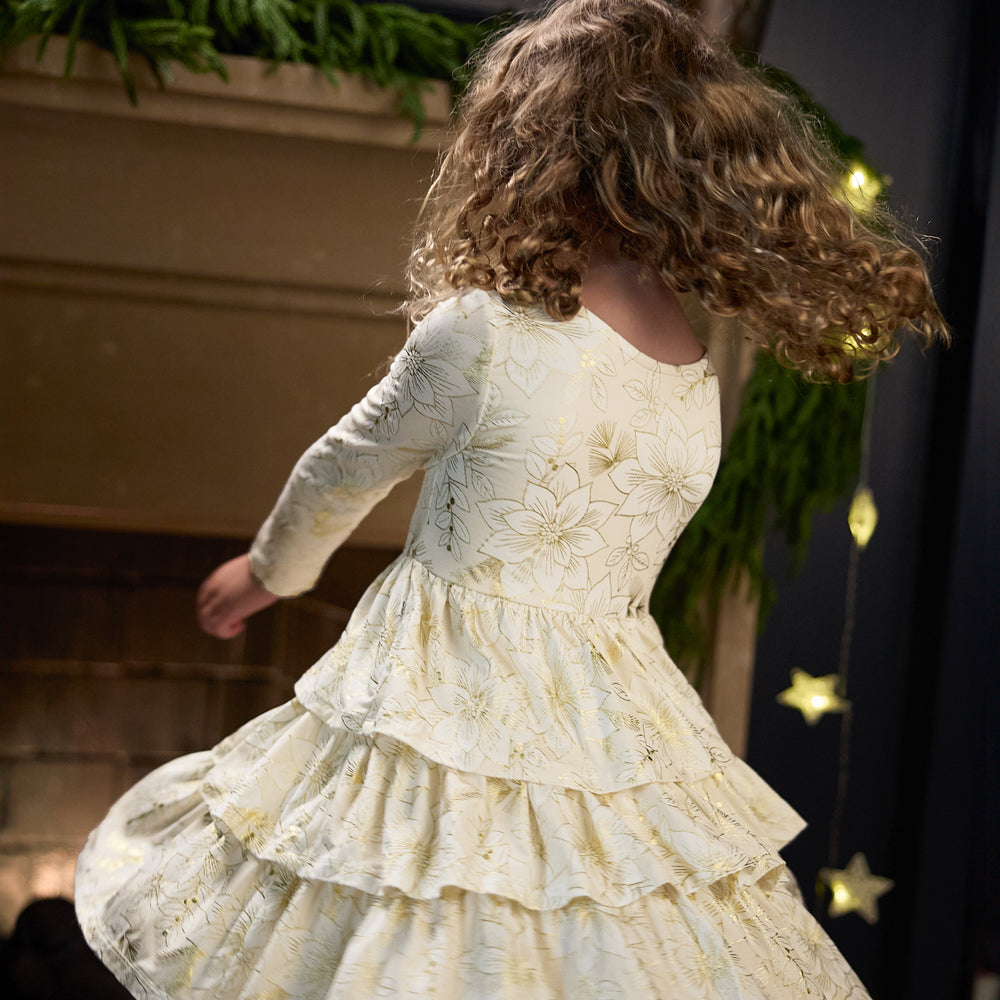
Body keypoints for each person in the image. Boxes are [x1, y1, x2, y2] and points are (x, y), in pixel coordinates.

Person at [74, 1, 947, 997]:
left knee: (419, 906)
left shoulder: (486, 332)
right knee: (582, 930)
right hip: (617, 722)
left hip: (443, 698)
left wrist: (266, 572)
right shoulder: (691, 366)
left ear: (530, 152)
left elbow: (347, 461)